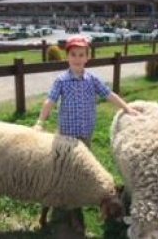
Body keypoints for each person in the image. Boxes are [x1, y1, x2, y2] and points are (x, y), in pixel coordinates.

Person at [34, 35, 139, 232]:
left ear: (87, 58)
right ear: (68, 57)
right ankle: (59, 200)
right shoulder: (61, 81)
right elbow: (50, 101)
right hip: (66, 137)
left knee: (82, 169)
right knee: (62, 169)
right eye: (73, 54)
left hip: (85, 135)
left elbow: (109, 94)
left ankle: (77, 198)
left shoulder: (92, 80)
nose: (77, 58)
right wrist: (40, 122)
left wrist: (127, 108)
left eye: (81, 54)